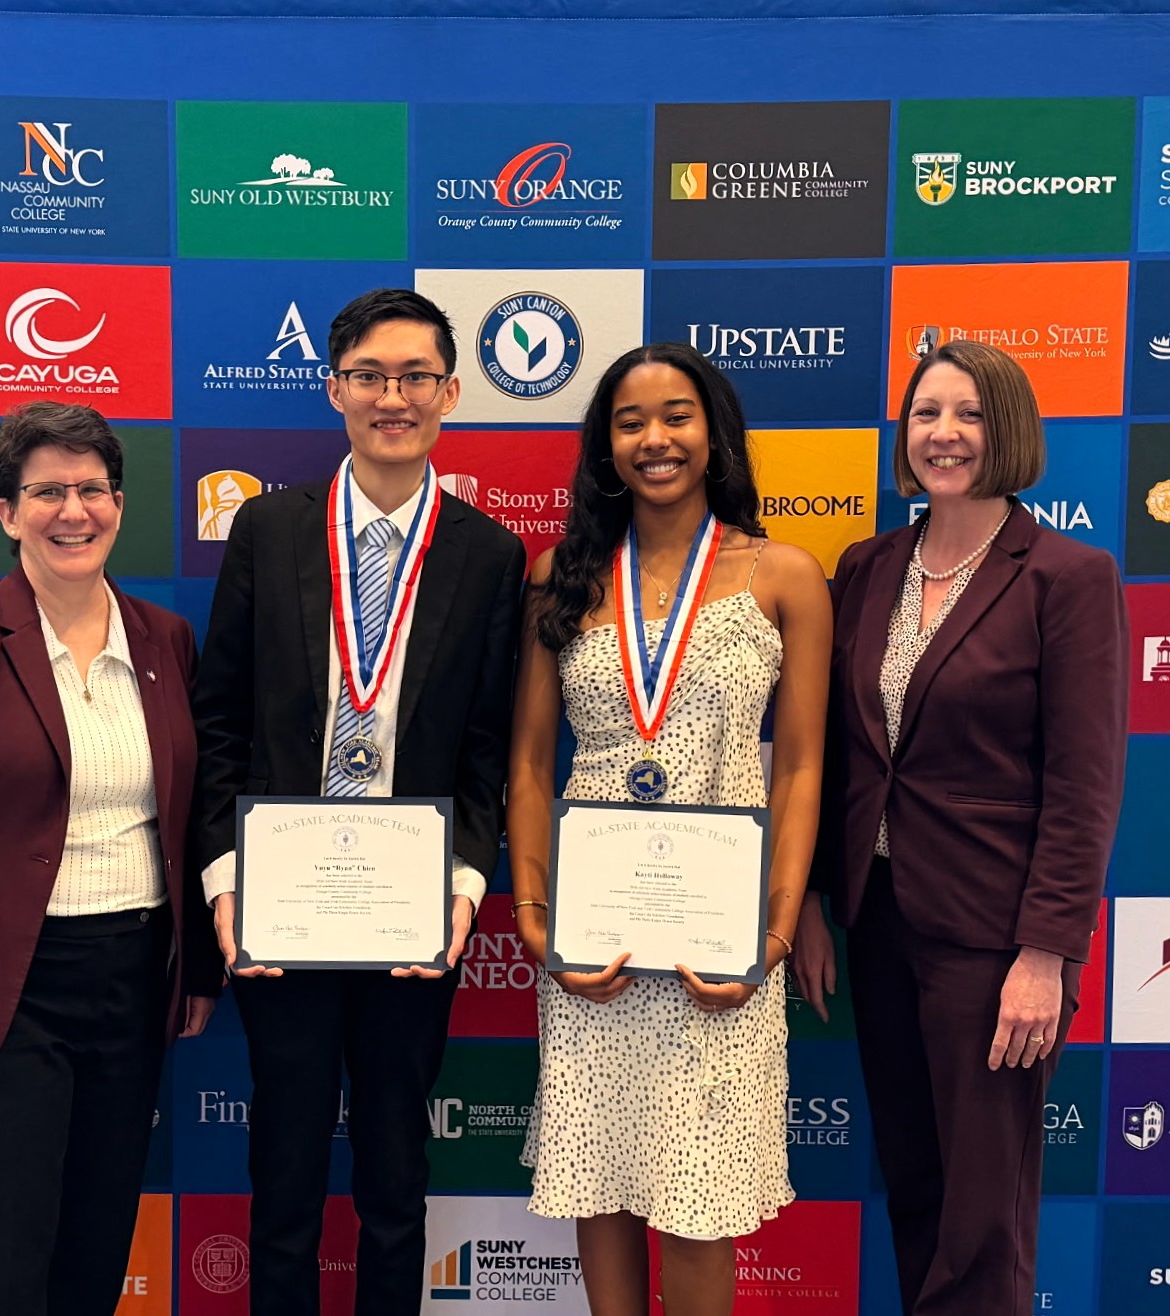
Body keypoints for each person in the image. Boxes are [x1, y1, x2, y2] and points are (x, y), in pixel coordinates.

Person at [191, 288, 525, 1316]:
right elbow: (220, 724)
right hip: (280, 912)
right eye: (371, 376)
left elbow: (483, 752)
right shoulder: (267, 528)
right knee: (282, 1171)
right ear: (334, 388)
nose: (394, 397)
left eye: (416, 376)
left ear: (451, 392)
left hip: (410, 914)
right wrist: (227, 886)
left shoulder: (487, 554)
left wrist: (463, 891)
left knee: (395, 1172)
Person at [0, 401, 221, 1315]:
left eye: (91, 489)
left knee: (89, 1256)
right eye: (46, 491)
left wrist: (194, 974)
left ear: (120, 503)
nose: (73, 511)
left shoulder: (164, 642)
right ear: (8, 513)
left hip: (129, 985)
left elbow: (186, 820)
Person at [792, 340, 1129, 1316]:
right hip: (880, 918)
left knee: (983, 1218)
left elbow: (1084, 777)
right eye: (926, 413)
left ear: (1008, 430)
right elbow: (839, 753)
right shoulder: (866, 566)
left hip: (992, 938)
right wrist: (817, 899)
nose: (943, 433)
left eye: (969, 414)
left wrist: (1045, 951)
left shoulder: (1065, 573)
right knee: (916, 1186)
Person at [507, 343, 831, 1315]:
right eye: (629, 420)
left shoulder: (783, 573)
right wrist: (533, 920)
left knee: (698, 1199)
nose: (654, 437)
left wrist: (768, 936)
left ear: (713, 430)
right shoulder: (556, 573)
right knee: (599, 1184)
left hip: (721, 941)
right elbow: (526, 761)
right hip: (594, 935)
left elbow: (803, 764)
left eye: (676, 414)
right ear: (603, 446)